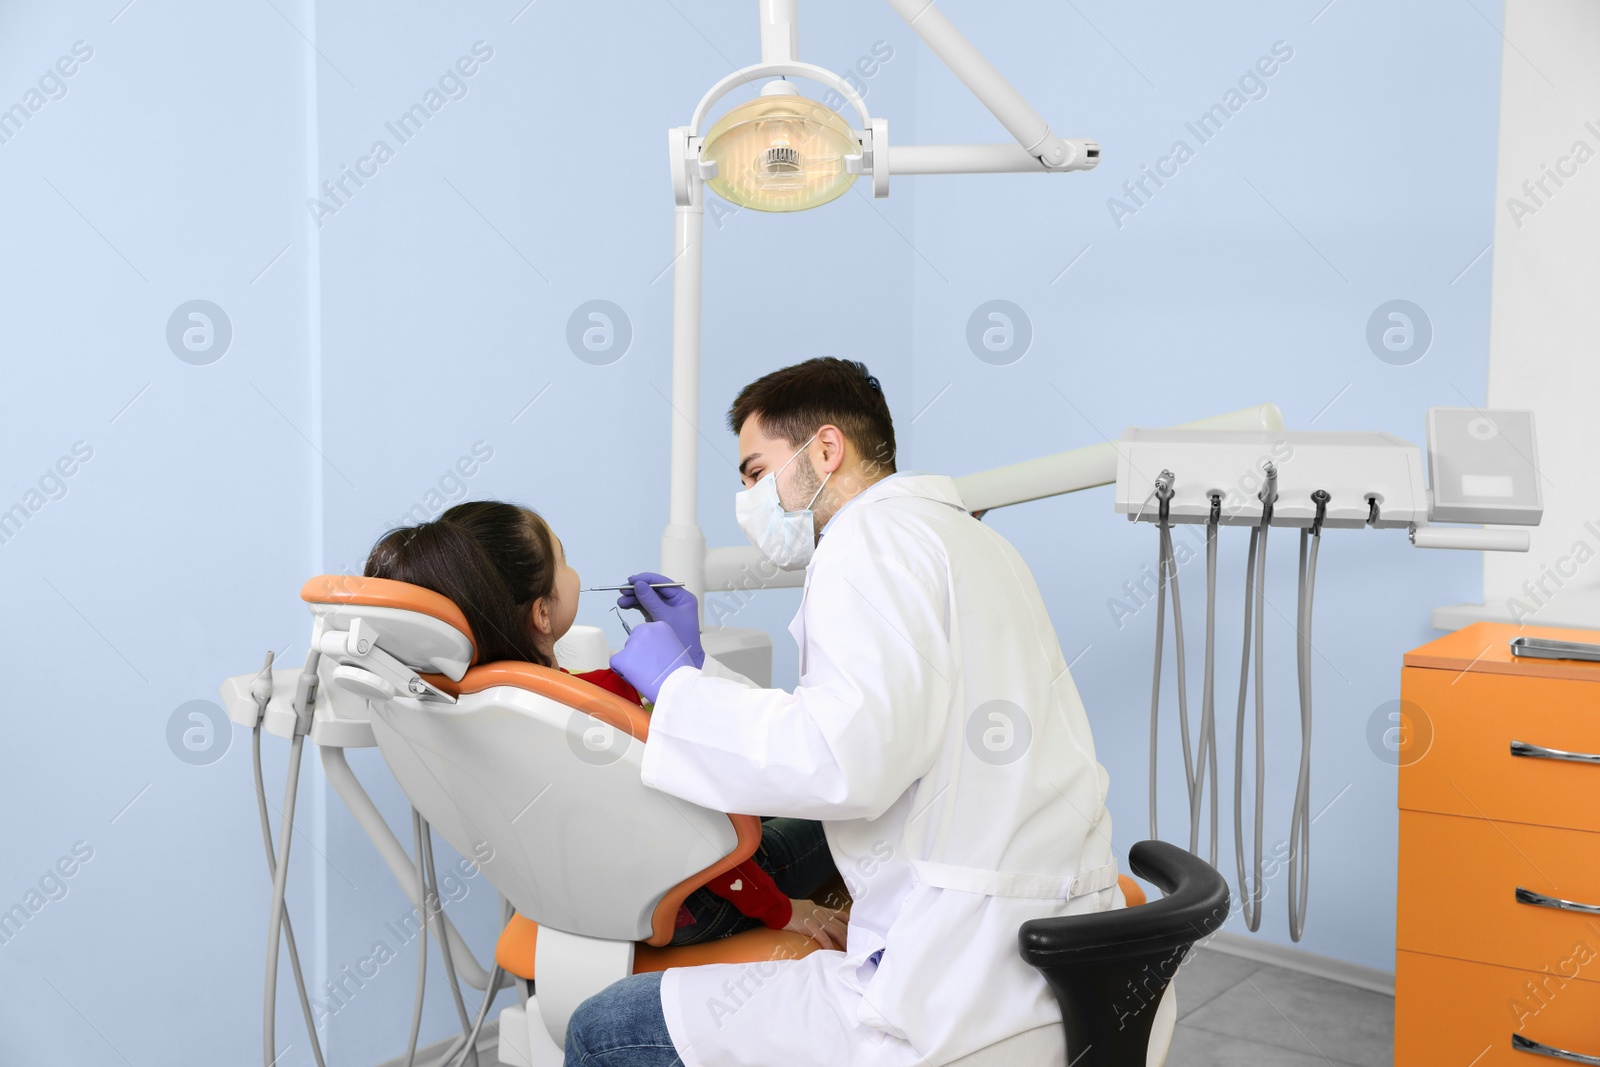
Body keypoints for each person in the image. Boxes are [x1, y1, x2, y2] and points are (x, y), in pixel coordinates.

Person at [569, 357, 1120, 1067]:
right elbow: (886, 719)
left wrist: (677, 689)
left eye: (754, 471)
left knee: (601, 1027)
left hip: (955, 987)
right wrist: (697, 672)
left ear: (826, 450)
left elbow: (841, 760)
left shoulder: (864, 544)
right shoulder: (973, 541)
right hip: (1061, 953)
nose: (746, 496)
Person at [362, 500, 845, 949]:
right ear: (543, 612)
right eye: (563, 559)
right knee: (844, 802)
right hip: (697, 905)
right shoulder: (603, 697)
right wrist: (783, 910)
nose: (574, 571)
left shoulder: (479, 703)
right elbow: (696, 831)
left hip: (593, 902)